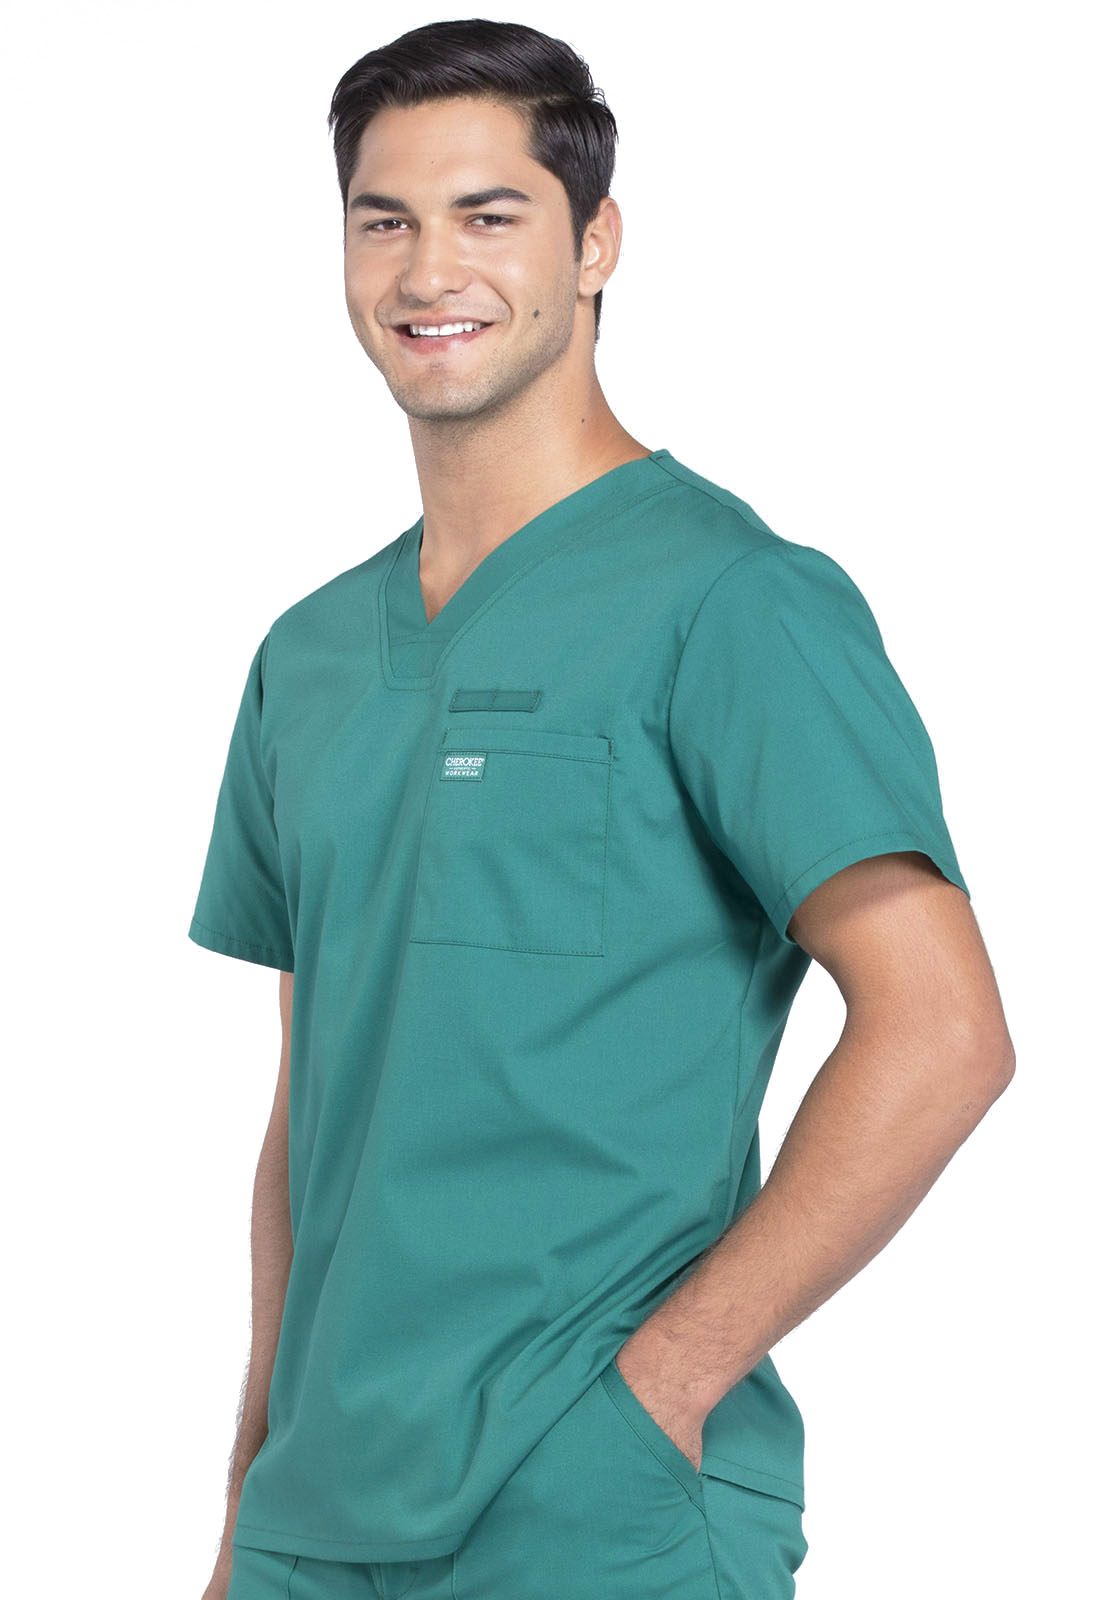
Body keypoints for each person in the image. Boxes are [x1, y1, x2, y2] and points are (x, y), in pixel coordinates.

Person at [189, 19, 1015, 1600]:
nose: (430, 269)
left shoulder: (734, 601)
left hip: (594, 1516)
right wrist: (248, 1495)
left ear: (595, 245)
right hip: (314, 1521)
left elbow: (946, 1030)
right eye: (384, 221)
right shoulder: (309, 656)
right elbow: (315, 1108)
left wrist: (662, 1393)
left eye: (489, 215)